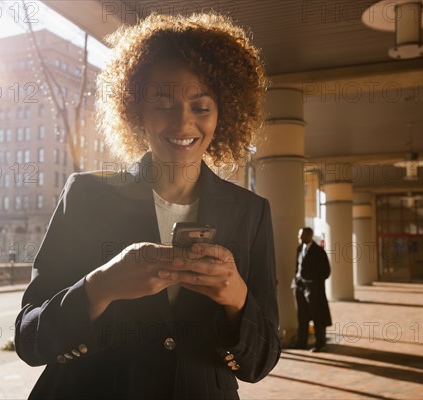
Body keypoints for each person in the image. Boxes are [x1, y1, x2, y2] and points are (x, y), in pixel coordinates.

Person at [15, 12, 280, 400]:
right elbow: (29, 339)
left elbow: (262, 361)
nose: (183, 122)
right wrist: (100, 287)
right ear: (136, 110)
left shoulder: (251, 212)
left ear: (224, 114)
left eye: (201, 107)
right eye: (163, 104)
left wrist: (237, 298)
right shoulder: (87, 196)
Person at [291, 227, 332, 352]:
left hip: (314, 289)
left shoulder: (319, 251)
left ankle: (320, 343)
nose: (299, 237)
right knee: (302, 316)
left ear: (309, 236)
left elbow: (326, 272)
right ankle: (301, 342)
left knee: (317, 316)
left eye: (301, 235)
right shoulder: (299, 249)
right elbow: (298, 268)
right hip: (300, 287)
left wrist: (313, 282)